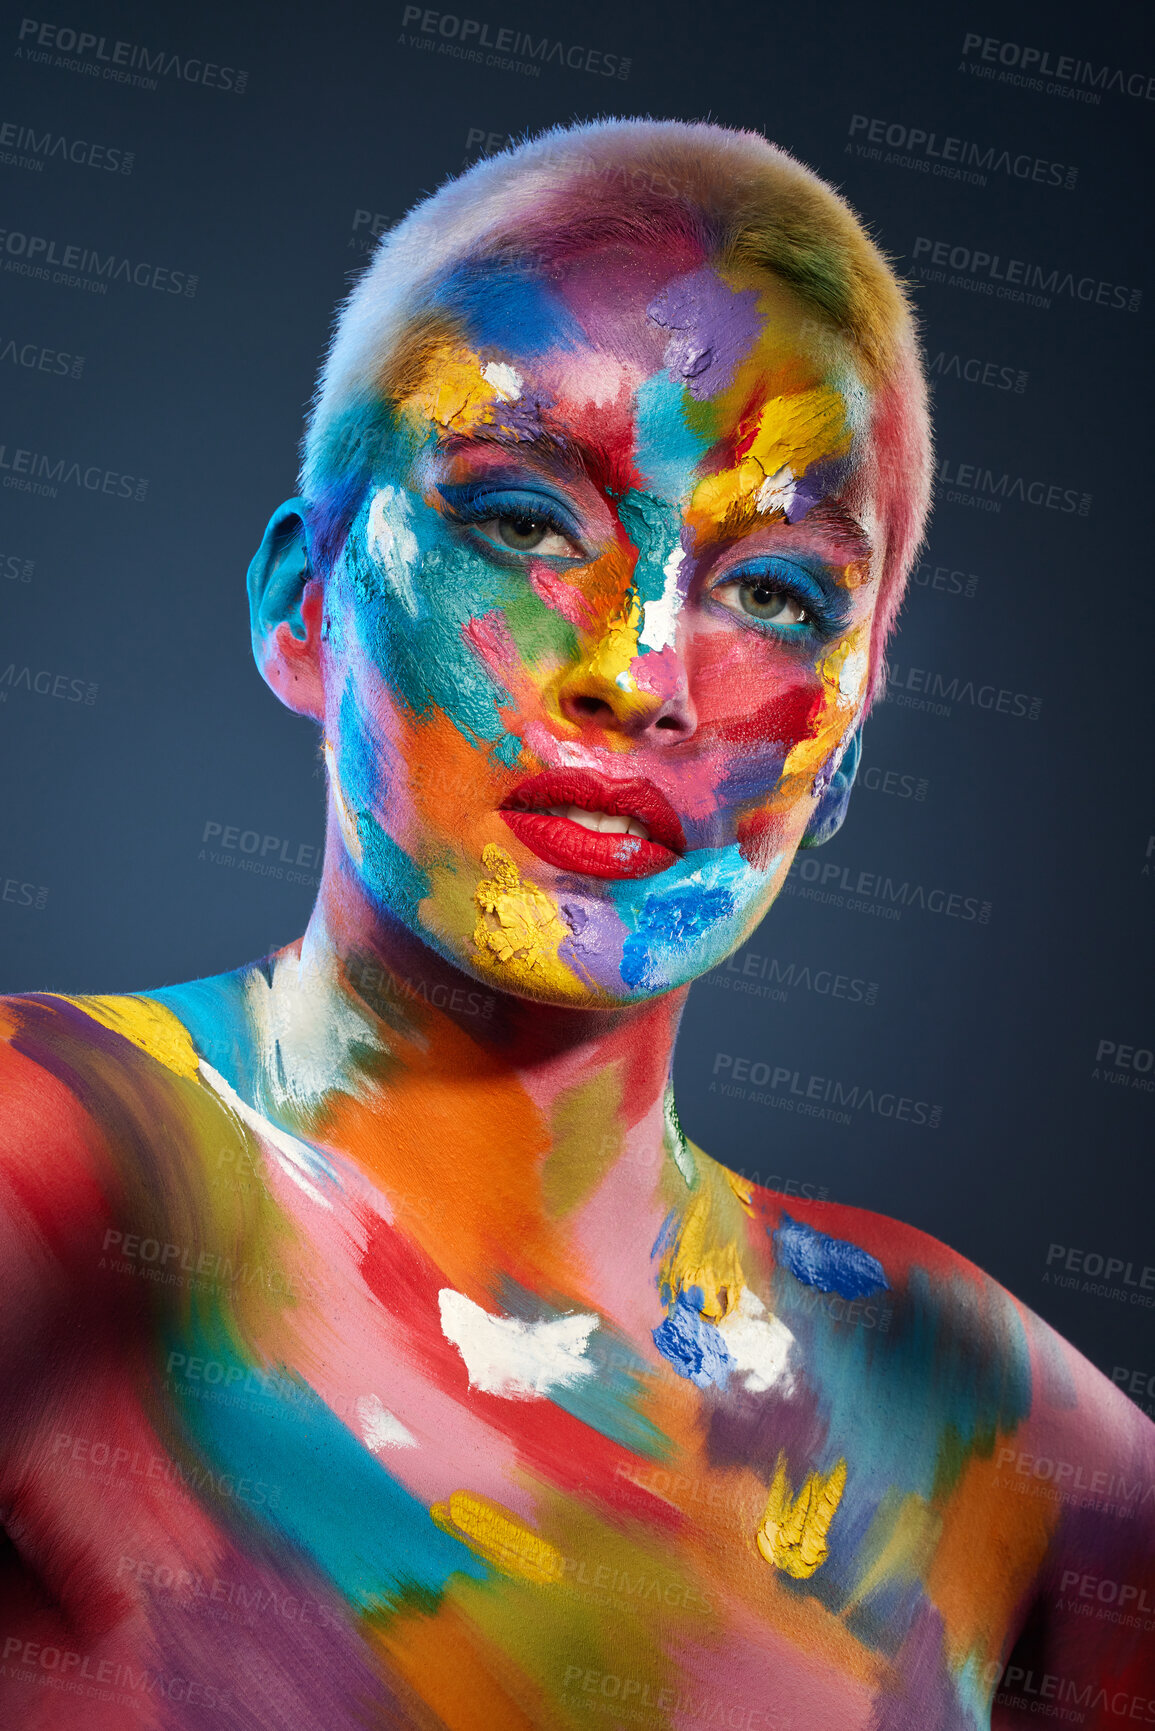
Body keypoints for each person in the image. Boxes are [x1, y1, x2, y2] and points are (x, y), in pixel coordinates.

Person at [1, 119, 1151, 1731]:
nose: (645, 669)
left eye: (776, 595)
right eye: (527, 521)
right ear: (306, 604)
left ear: (844, 758)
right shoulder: (62, 1178)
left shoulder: (962, 1412)